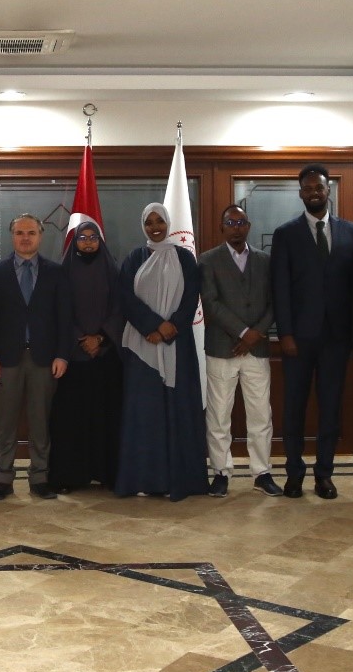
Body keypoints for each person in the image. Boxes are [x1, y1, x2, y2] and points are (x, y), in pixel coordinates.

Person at [270, 164, 353, 500]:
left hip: (336, 339)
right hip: (298, 339)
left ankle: (324, 475)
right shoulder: (286, 234)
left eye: (319, 188)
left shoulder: (350, 231)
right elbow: (280, 287)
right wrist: (285, 333)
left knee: (330, 409)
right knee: (293, 409)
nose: (313, 193)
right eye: (307, 189)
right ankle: (294, 474)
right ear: (300, 194)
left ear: (328, 190)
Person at [115, 202, 207, 501]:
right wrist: (152, 326)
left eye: (160, 221)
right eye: (149, 222)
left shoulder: (185, 258)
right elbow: (125, 298)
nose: (155, 227)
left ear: (168, 223)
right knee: (146, 414)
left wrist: (170, 327)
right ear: (143, 226)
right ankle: (145, 478)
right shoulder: (134, 258)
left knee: (177, 412)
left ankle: (180, 480)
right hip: (142, 347)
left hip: (177, 345)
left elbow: (191, 296)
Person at [0, 214, 72, 501]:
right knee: (5, 424)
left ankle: (40, 478)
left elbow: (64, 319)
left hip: (44, 359)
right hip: (6, 360)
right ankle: (3, 479)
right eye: (19, 232)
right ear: (12, 236)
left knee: (40, 422)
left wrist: (62, 355)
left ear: (40, 236)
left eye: (31, 233)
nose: (25, 238)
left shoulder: (56, 272)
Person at [200, 203, 276, 497]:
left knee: (261, 414)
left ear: (249, 226)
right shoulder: (208, 260)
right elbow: (211, 302)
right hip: (223, 348)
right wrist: (243, 332)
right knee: (219, 415)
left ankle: (262, 472)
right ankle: (221, 472)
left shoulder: (265, 260)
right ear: (222, 227)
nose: (236, 228)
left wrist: (255, 334)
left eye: (241, 222)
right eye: (230, 223)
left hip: (257, 349)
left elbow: (274, 302)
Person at [48, 221, 124, 492]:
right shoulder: (63, 271)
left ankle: (107, 474)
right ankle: (70, 476)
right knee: (72, 420)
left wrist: (100, 338)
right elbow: (58, 310)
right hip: (73, 358)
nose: (89, 242)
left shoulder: (112, 271)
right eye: (83, 238)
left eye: (93, 237)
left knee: (107, 417)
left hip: (106, 357)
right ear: (75, 241)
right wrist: (81, 337)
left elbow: (120, 308)